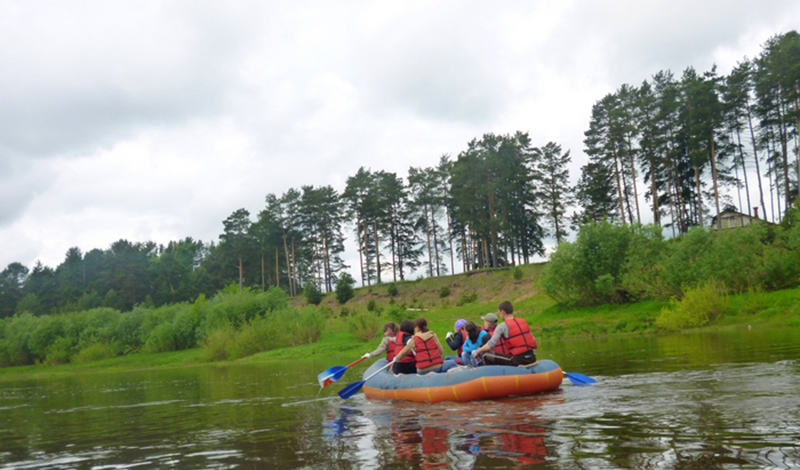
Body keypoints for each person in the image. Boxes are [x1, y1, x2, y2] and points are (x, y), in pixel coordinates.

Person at [474, 301, 537, 366]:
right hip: (532, 357)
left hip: (518, 360)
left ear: (503, 312)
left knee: (486, 356)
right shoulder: (522, 321)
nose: (500, 316)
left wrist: (479, 350)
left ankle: (496, 375)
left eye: (499, 313)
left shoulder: (502, 326)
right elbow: (532, 339)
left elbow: (490, 345)